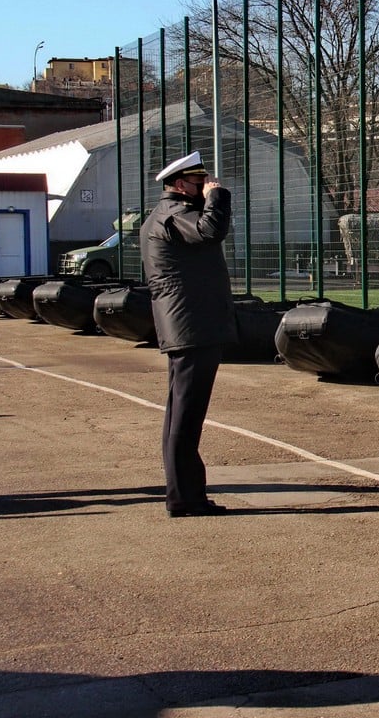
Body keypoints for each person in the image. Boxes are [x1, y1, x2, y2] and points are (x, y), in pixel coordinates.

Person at [141, 151, 237, 518]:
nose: (206, 188)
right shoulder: (175, 213)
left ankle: (186, 493)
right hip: (191, 326)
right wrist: (218, 197)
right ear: (180, 185)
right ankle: (184, 497)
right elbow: (210, 231)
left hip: (189, 324)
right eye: (199, 184)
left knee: (181, 413)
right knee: (185, 415)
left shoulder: (169, 213)